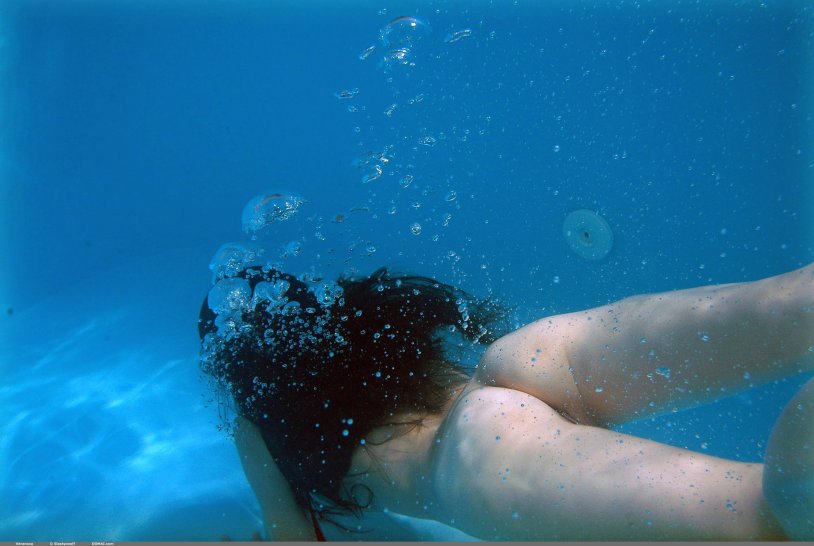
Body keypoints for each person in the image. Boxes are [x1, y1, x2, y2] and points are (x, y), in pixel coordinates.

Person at [198, 262, 814, 541]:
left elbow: (290, 537)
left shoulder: (257, 419)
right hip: (525, 360)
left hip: (471, 459)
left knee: (767, 520)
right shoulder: (354, 327)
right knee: (789, 309)